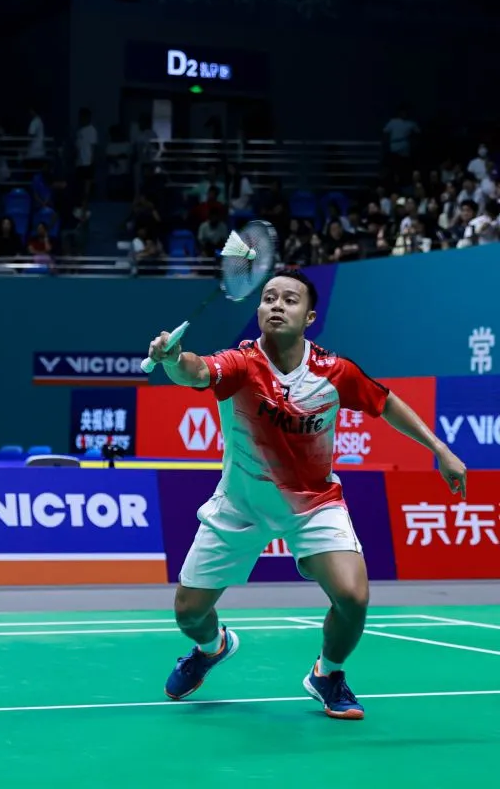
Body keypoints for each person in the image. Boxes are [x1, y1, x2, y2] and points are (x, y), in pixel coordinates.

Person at [144, 268, 467, 720]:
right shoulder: (241, 364)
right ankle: (212, 647)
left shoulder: (334, 372)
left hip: (313, 505)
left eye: (289, 299)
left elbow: (385, 402)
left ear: (310, 317)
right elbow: (196, 371)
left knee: (353, 597)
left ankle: (327, 674)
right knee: (189, 614)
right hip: (241, 505)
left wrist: (440, 449)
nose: (276, 304)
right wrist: (174, 358)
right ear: (259, 310)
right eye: (269, 297)